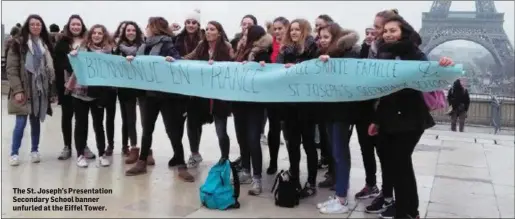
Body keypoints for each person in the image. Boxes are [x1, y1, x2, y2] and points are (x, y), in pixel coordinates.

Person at [371, 14, 454, 219]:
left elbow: (430, 76)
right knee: (399, 165)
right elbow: (383, 92)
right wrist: (377, 120)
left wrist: (444, 65)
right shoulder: (382, 53)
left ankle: (405, 211)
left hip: (410, 117)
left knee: (400, 164)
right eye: (386, 31)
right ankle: (408, 211)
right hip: (389, 117)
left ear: (403, 32)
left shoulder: (414, 53)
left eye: (393, 30)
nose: (388, 34)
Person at [125, 17, 194, 183]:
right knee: (147, 129)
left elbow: (180, 64)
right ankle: (142, 162)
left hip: (166, 96)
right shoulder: (144, 45)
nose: (146, 28)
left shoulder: (168, 44)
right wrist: (132, 61)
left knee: (173, 132)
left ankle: (181, 165)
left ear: (155, 28)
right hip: (148, 95)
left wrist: (173, 61)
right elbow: (141, 66)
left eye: (148, 26)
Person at [314, 22, 361, 214]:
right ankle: (340, 195)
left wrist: (331, 63)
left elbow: (349, 76)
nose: (323, 40)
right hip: (330, 110)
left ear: (335, 37)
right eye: (321, 37)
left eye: (326, 37)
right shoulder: (327, 54)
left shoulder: (348, 52)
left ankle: (342, 199)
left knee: (340, 154)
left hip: (342, 112)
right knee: (336, 153)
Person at [276, 18, 319, 199]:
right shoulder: (284, 50)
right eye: (292, 30)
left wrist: (297, 69)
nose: (293, 32)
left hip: (307, 106)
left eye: (297, 29)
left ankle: (311, 181)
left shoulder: (313, 50)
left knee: (309, 145)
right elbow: (276, 73)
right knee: (292, 145)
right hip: (289, 106)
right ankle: (294, 176)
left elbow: (315, 73)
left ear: (305, 31)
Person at [183, 20, 234, 171]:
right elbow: (189, 58)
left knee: (221, 130)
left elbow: (234, 64)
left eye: (212, 29)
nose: (208, 32)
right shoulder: (201, 46)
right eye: (207, 29)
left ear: (219, 32)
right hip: (201, 95)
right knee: (192, 124)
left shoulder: (227, 47)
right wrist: (174, 60)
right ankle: (195, 154)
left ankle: (224, 158)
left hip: (219, 96)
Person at [6, 14, 56, 166]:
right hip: (24, 89)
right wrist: (17, 90)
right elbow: (12, 69)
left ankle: (35, 150)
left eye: (38, 24)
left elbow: (49, 70)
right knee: (20, 123)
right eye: (32, 24)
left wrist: (52, 92)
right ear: (27, 26)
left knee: (36, 122)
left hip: (39, 91)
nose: (35, 27)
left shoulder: (45, 45)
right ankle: (14, 153)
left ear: (42, 27)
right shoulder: (17, 44)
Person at [233, 25, 273, 195]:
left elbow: (269, 73)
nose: (244, 34)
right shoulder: (240, 50)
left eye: (247, 33)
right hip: (239, 102)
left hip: (255, 104)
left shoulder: (263, 53)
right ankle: (246, 171)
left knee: (253, 140)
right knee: (242, 138)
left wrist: (261, 66)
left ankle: (257, 177)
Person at [67, 24, 114, 168]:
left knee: (99, 125)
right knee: (81, 124)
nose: (97, 35)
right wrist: (73, 56)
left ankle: (101, 154)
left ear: (104, 35)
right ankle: (80, 154)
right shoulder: (81, 49)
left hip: (98, 93)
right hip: (80, 92)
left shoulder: (108, 52)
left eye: (100, 33)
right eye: (94, 33)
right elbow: (73, 66)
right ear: (90, 35)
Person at [54, 14, 96, 160]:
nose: (76, 27)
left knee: (82, 118)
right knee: (67, 116)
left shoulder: (88, 43)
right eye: (73, 24)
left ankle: (83, 145)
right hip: (66, 85)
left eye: (78, 24)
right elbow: (58, 62)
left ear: (82, 26)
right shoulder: (62, 43)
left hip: (83, 86)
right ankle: (67, 146)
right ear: (68, 26)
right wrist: (74, 67)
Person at [175, 10, 208, 168]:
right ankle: (178, 153)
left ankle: (195, 152)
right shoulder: (178, 38)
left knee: (195, 121)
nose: (191, 25)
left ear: (198, 24)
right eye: (188, 22)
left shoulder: (205, 38)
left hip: (199, 86)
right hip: (181, 85)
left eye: (194, 22)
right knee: (178, 121)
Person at [113, 21, 144, 159]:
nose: (130, 32)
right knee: (127, 118)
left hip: (141, 86)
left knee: (141, 119)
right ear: (124, 33)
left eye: (133, 30)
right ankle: (128, 146)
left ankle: (139, 147)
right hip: (125, 86)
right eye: (128, 30)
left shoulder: (143, 47)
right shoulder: (118, 48)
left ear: (136, 32)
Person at [265, 16, 290, 175]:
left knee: (289, 130)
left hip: (288, 95)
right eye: (275, 29)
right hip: (272, 94)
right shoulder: (269, 46)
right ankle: (273, 161)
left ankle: (293, 163)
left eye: (281, 28)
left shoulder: (293, 45)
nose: (278, 31)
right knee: (273, 129)